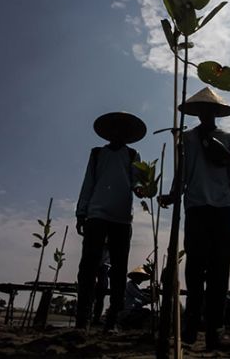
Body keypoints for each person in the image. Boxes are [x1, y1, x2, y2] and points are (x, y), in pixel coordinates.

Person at [174, 87, 230, 350]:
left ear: (216, 112)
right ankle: (190, 328)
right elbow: (181, 172)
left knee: (219, 269)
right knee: (194, 269)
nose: (206, 113)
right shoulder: (187, 138)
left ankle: (216, 329)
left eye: (210, 109)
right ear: (197, 112)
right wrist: (174, 193)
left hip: (222, 208)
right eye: (202, 109)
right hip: (195, 206)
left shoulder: (227, 138)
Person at [75, 112, 146, 331]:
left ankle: (112, 320)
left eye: (124, 130)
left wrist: (142, 188)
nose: (119, 133)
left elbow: (136, 182)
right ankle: (82, 320)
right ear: (110, 132)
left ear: (128, 135)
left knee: (118, 268)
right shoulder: (97, 154)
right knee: (88, 266)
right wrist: (81, 212)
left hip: (122, 218)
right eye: (116, 129)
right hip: (96, 214)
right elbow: (89, 182)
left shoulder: (133, 155)